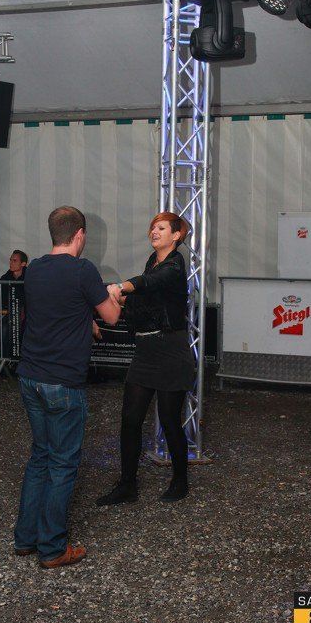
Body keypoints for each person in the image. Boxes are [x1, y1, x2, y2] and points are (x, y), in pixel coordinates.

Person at [14, 206, 121, 569]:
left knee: (40, 457)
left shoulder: (35, 269)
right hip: (62, 382)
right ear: (79, 235)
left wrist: (84, 319)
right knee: (62, 464)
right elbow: (112, 316)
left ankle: (25, 539)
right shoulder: (82, 270)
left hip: (30, 376)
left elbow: (55, 310)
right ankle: (52, 548)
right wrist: (113, 293)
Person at [96, 212, 194, 507]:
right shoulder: (152, 263)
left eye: (161, 227)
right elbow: (145, 300)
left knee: (170, 420)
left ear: (176, 235)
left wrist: (122, 287)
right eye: (152, 227)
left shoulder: (174, 265)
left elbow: (150, 283)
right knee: (130, 419)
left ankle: (180, 480)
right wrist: (124, 301)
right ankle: (127, 485)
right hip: (145, 351)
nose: (154, 231)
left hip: (170, 351)